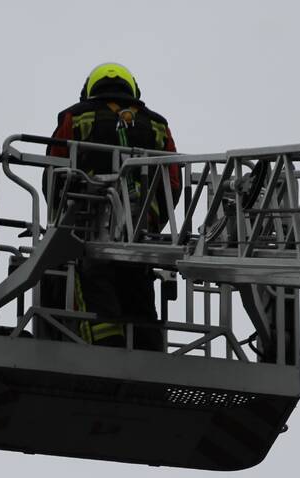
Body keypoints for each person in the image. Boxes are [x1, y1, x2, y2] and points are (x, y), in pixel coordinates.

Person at [44, 62, 179, 350]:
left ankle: (107, 347)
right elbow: (174, 181)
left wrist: (61, 222)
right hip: (140, 228)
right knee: (139, 288)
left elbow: (54, 171)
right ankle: (148, 352)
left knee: (93, 282)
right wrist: (154, 220)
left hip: (90, 221)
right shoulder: (158, 125)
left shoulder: (75, 117)